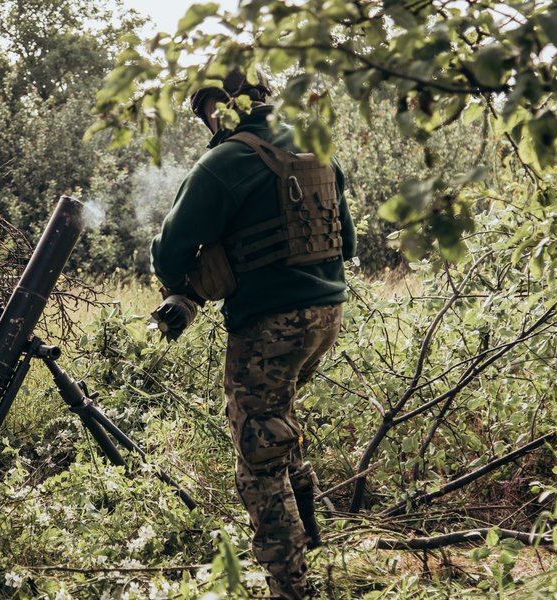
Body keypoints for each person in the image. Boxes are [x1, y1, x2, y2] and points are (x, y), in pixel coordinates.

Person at [150, 68, 357, 599]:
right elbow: (347, 241)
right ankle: (309, 535)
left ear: (218, 105)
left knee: (258, 460)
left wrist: (183, 287)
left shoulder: (225, 160)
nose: (208, 122)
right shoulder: (314, 146)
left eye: (206, 110)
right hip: (325, 317)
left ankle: (292, 588)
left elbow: (170, 251)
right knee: (276, 422)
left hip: (269, 325)